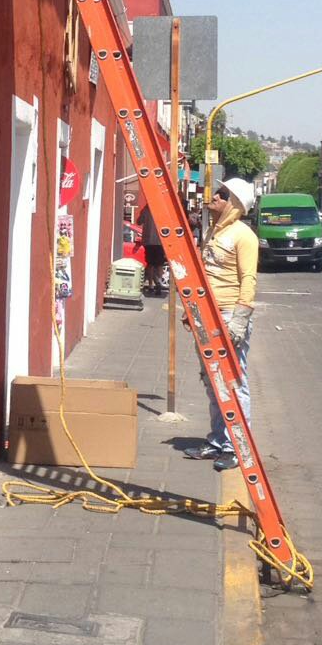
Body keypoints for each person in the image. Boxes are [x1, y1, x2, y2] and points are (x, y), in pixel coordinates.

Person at [183, 178, 258, 471]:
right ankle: (217, 441)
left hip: (228, 315)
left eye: (222, 194)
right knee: (211, 380)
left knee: (233, 382)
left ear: (234, 204)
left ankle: (236, 447)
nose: (214, 196)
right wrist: (192, 309)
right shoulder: (214, 232)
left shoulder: (244, 236)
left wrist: (240, 319)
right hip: (207, 314)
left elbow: (248, 278)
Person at [139, 204, 165, 295]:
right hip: (160, 241)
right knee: (159, 264)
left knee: (150, 264)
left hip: (148, 241)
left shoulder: (146, 210)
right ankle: (159, 282)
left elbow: (139, 222)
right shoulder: (162, 210)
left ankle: (151, 285)